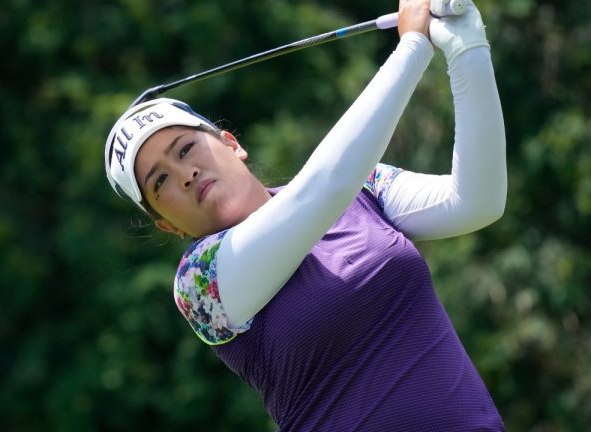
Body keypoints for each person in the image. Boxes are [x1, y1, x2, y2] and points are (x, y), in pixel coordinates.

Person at [104, 0, 506, 430]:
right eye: (159, 183)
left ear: (230, 143)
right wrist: (413, 47)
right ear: (167, 224)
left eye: (185, 149)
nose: (184, 175)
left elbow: (477, 202)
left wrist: (467, 44)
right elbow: (322, 190)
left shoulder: (364, 187)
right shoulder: (199, 285)